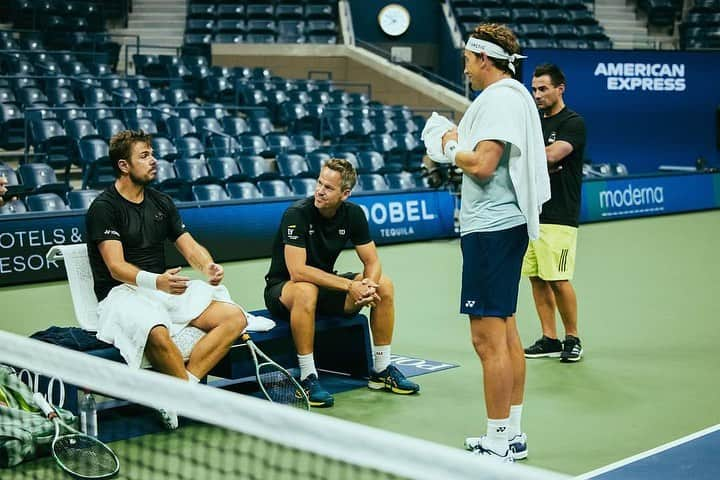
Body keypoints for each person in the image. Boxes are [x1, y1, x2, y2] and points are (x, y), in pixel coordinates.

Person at [431, 24, 550, 462]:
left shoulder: (499, 98)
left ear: (484, 58)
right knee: (507, 332)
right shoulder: (512, 96)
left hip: (492, 229)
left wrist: (447, 145)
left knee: (487, 340)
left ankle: (498, 441)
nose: (464, 65)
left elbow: (482, 164)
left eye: (466, 57)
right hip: (504, 226)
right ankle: (511, 433)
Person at [86, 130, 248, 428]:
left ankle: (178, 394)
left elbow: (189, 245)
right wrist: (155, 281)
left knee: (234, 317)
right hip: (121, 293)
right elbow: (116, 267)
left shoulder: (161, 202)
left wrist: (208, 266)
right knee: (156, 331)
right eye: (144, 156)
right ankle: (191, 399)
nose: (154, 161)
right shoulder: (103, 208)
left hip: (161, 290)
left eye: (152, 153)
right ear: (124, 165)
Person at [263, 158, 419, 408]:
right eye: (319, 183)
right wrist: (349, 286)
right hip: (284, 290)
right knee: (305, 291)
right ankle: (307, 376)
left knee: (385, 285)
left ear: (345, 193)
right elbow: (297, 271)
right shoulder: (296, 214)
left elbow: (372, 260)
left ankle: (381, 370)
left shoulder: (353, 214)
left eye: (328, 187)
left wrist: (368, 286)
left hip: (323, 286)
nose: (319, 190)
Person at [522, 64, 586, 363]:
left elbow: (552, 155)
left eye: (543, 88)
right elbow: (533, 158)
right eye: (534, 89)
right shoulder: (534, 123)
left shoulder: (574, 122)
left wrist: (534, 159)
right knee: (536, 278)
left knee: (559, 279)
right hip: (533, 214)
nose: (537, 94)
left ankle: (573, 337)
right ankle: (550, 338)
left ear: (561, 88)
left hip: (560, 216)